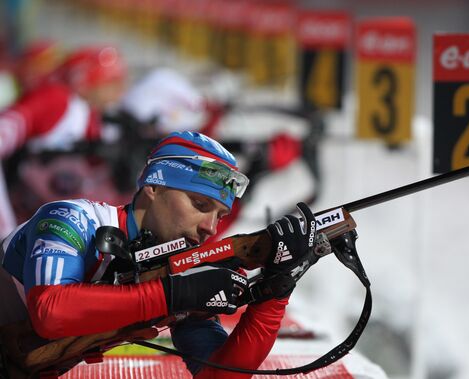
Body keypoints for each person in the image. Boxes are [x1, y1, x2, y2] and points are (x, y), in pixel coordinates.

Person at [0, 131, 317, 378]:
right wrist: (174, 295)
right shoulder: (71, 218)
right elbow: (49, 312)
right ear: (154, 186)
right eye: (200, 205)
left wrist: (274, 292)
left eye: (219, 217)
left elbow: (218, 375)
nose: (209, 227)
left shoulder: (173, 269)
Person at [0, 44, 127, 238]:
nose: (119, 92)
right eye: (111, 82)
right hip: (31, 235)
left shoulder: (100, 119)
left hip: (75, 234)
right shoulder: (58, 100)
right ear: (86, 81)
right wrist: (5, 230)